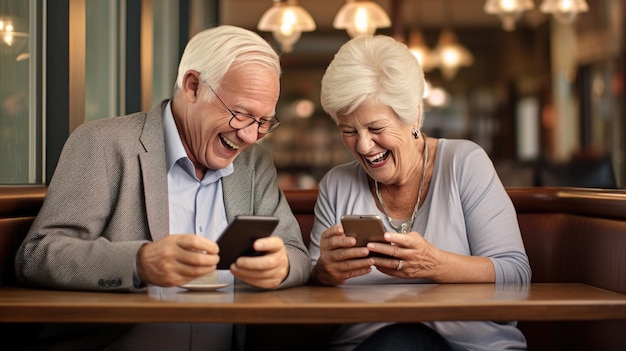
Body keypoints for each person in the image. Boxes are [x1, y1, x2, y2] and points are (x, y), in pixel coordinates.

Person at [14, 25, 310, 350]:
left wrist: (281, 267)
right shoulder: (103, 143)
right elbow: (37, 255)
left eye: (264, 122)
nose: (250, 136)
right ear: (193, 86)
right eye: (240, 115)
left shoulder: (255, 165)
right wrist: (139, 262)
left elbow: (296, 252)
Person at [308, 35, 531, 351]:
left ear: (413, 115)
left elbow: (516, 273)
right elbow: (312, 290)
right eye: (348, 131)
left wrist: (436, 264)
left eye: (375, 129)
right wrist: (322, 273)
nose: (362, 145)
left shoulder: (464, 163)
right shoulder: (337, 184)